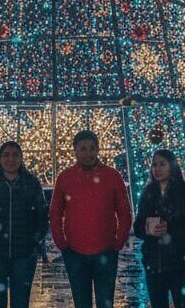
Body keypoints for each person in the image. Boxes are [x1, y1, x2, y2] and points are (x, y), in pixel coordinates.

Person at [49, 130, 133, 308]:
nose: (88, 153)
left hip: (106, 250)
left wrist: (119, 241)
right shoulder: (65, 177)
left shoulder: (112, 176)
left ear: (98, 149)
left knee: (105, 302)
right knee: (81, 302)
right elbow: (55, 211)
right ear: (75, 150)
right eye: (83, 149)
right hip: (74, 252)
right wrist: (61, 242)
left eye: (92, 148)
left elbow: (124, 211)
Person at [0, 141, 48, 308]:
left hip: (23, 255)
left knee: (21, 302)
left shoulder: (31, 184)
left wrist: (33, 240)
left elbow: (41, 217)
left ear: (21, 158)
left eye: (15, 155)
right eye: (6, 155)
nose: (11, 159)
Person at [134, 149, 185, 307]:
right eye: (154, 165)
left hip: (179, 264)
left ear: (172, 166)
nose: (157, 169)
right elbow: (137, 226)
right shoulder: (147, 193)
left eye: (162, 164)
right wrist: (147, 229)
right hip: (153, 264)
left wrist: (170, 229)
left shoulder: (184, 193)